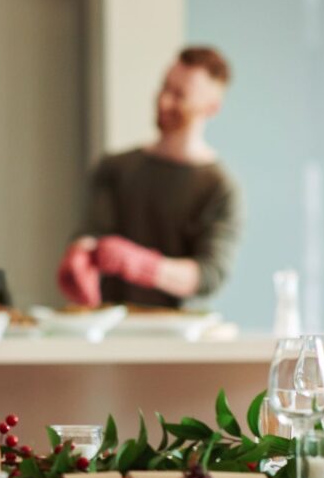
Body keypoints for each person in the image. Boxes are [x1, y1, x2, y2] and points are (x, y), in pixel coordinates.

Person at [58, 46, 241, 309]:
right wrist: (80, 255)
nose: (165, 101)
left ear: (211, 107)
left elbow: (210, 274)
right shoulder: (115, 167)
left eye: (180, 95)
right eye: (165, 87)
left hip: (180, 339)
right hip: (110, 330)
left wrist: (144, 265)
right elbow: (92, 231)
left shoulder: (219, 189)